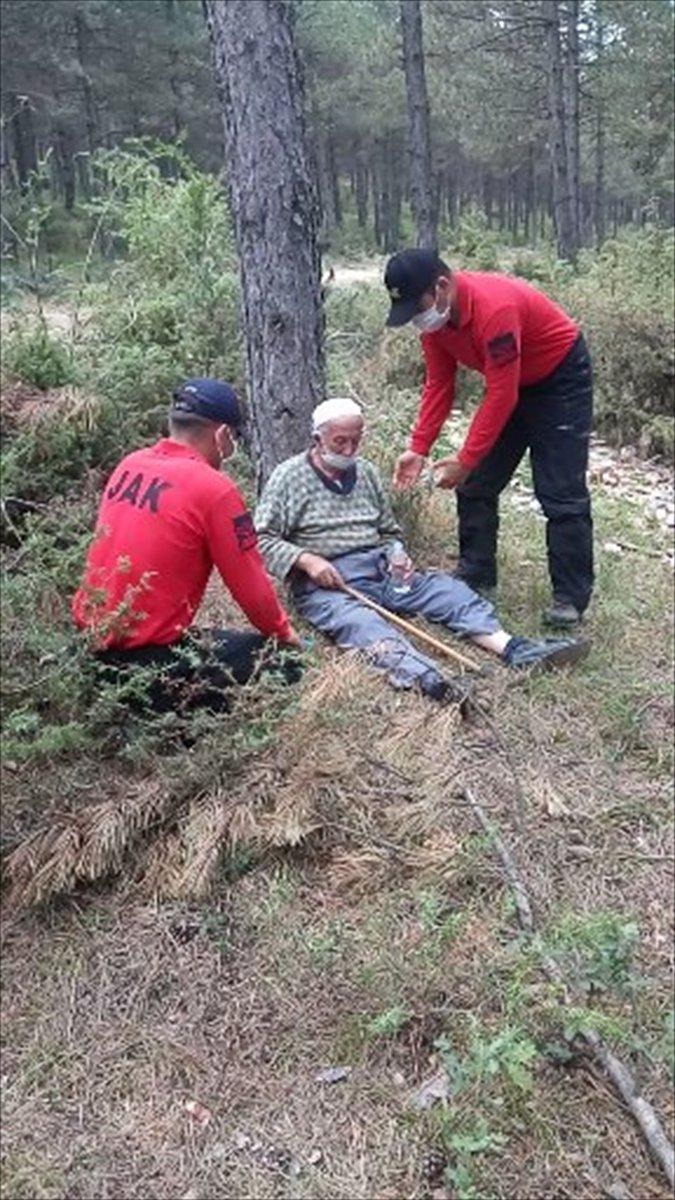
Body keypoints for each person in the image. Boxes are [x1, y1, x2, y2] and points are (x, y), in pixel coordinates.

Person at [254, 397, 589, 705]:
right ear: (317, 438)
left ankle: (513, 648)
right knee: (362, 625)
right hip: (329, 583)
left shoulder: (366, 472)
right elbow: (263, 538)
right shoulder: (288, 477)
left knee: (448, 592)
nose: (349, 449)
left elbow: (387, 529)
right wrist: (307, 560)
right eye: (339, 441)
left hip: (381, 568)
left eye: (356, 440)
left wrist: (397, 552)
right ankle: (432, 682)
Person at [385, 248, 594, 628]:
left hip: (560, 379)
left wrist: (465, 459)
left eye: (419, 307)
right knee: (476, 485)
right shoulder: (437, 324)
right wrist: (417, 449)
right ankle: (477, 576)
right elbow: (439, 384)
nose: (418, 319)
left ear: (442, 286)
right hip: (513, 382)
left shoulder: (493, 309)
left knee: (560, 493)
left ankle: (570, 599)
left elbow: (502, 394)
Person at [72, 378, 301, 713]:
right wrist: (285, 635)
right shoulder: (214, 489)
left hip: (84, 649)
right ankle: (171, 722)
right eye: (233, 437)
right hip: (148, 666)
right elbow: (251, 590)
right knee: (283, 663)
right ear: (222, 435)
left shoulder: (129, 464)